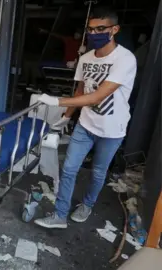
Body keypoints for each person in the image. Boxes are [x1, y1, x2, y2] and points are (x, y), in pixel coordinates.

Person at [34, 7, 137, 229]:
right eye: (90, 29)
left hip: (112, 129)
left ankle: (87, 205)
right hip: (85, 125)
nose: (94, 33)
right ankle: (60, 215)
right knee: (69, 168)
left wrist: (57, 101)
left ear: (114, 29)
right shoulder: (86, 58)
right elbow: (81, 91)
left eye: (100, 28)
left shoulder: (125, 59)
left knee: (98, 172)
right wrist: (66, 116)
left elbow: (98, 96)